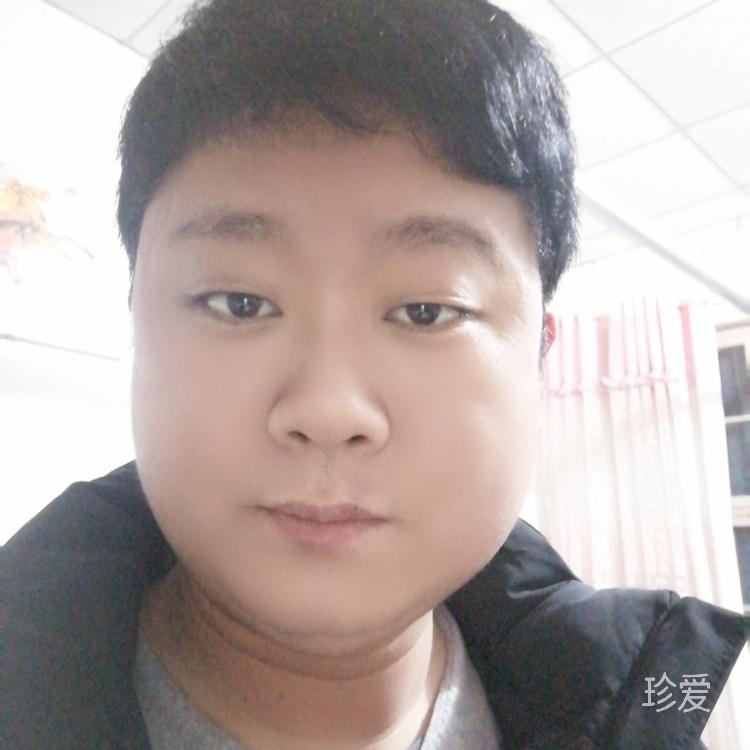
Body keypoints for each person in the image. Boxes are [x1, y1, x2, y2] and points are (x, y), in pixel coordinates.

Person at [4, 1, 748, 748]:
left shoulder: (637, 714)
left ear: (540, 361)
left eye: (427, 311)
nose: (329, 411)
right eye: (239, 302)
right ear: (136, 324)